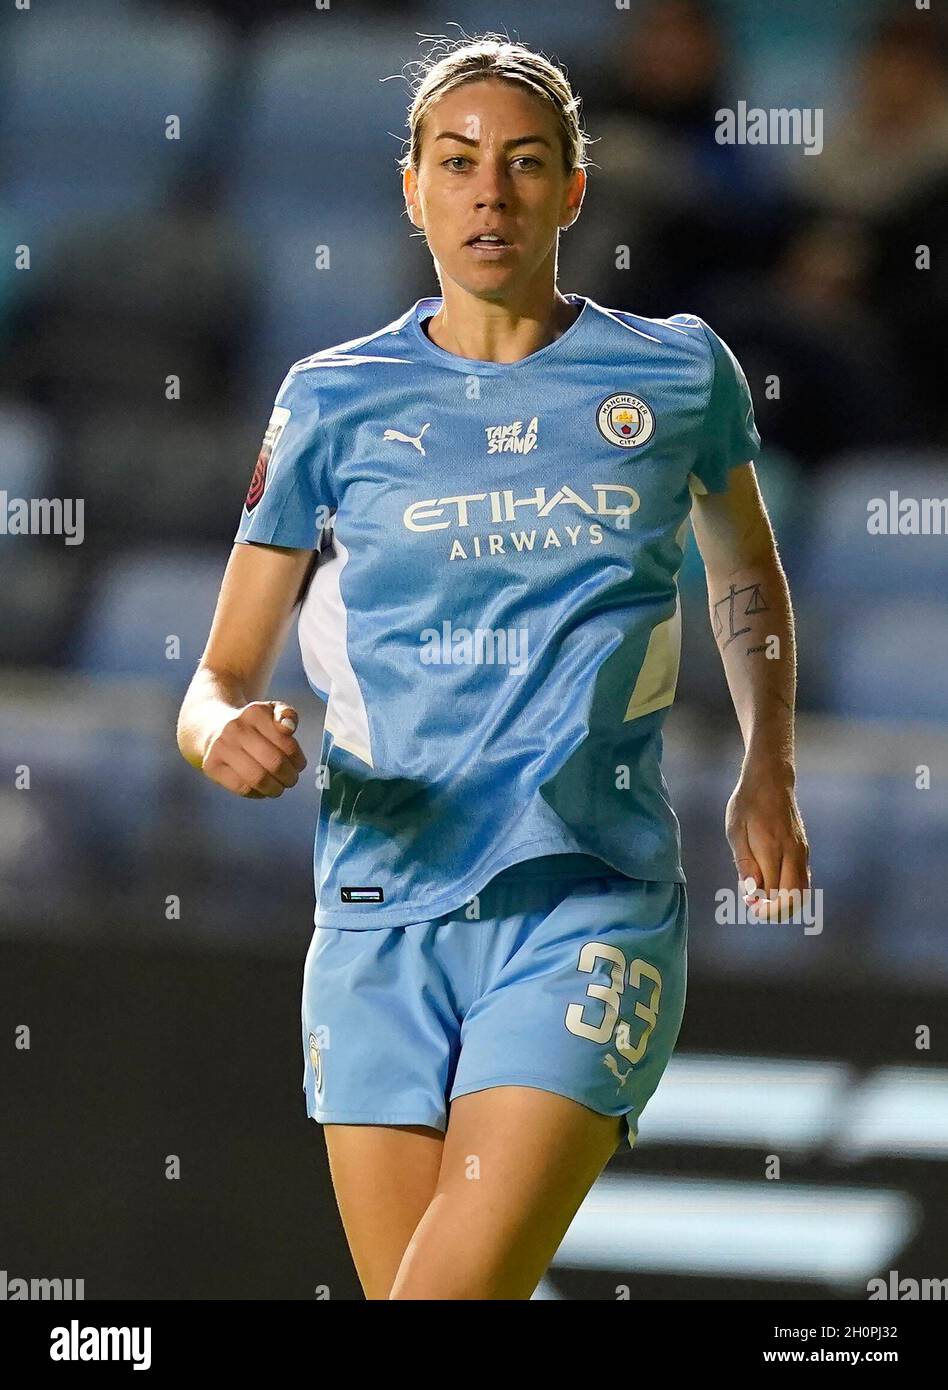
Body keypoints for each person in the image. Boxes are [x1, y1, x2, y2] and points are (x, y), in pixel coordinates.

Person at [176, 34, 810, 1300]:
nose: (490, 193)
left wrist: (768, 767)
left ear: (574, 192)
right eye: (457, 163)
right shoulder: (330, 401)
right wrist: (223, 735)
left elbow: (745, 567)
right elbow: (216, 678)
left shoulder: (675, 372)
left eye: (525, 165)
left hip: (586, 902)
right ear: (411, 187)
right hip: (375, 916)